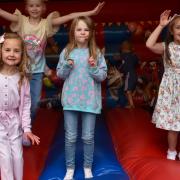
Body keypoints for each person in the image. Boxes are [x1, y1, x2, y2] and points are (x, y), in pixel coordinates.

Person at [0, 0, 105, 123]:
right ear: (26, 8)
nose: (34, 8)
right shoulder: (21, 21)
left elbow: (70, 16)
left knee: (33, 105)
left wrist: (92, 12)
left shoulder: (46, 24)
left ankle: (26, 128)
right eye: (31, 6)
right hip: (20, 69)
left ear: (44, 8)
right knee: (15, 101)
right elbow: (3, 13)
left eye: (38, 5)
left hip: (37, 72)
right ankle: (15, 127)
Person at [57, 16, 107, 180]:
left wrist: (93, 68)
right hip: (71, 101)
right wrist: (66, 65)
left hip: (89, 102)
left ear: (91, 32)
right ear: (73, 32)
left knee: (87, 137)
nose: (82, 32)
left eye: (86, 29)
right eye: (79, 29)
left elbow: (102, 76)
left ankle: (87, 166)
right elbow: (60, 74)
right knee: (70, 137)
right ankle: (70, 168)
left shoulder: (96, 53)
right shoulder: (67, 51)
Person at [0, 32, 40, 180]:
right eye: (7, 50)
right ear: (1, 51)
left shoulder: (22, 79)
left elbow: (25, 106)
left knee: (17, 157)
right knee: (5, 158)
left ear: (22, 54)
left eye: (16, 51)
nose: (12, 54)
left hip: (14, 122)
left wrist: (27, 129)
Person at [146, 10, 180, 160]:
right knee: (173, 126)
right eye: (178, 27)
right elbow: (149, 44)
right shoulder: (167, 47)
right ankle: (171, 152)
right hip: (172, 93)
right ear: (172, 31)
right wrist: (161, 26)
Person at [119, 40, 139, 108]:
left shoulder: (123, 55)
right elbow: (136, 63)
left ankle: (131, 104)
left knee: (127, 91)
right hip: (134, 75)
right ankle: (129, 102)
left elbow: (116, 58)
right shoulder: (134, 56)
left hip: (129, 74)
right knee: (127, 90)